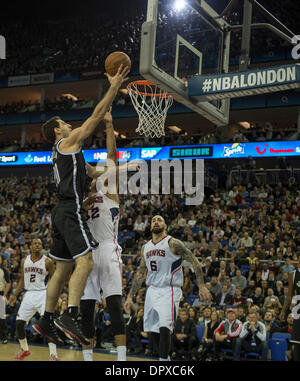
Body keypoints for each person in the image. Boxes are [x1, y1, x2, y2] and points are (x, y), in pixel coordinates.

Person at [33, 65, 130, 346]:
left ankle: (46, 319)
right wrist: (113, 87)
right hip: (71, 208)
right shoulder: (66, 142)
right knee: (84, 261)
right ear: (56, 131)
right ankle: (70, 315)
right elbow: (94, 117)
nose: (67, 124)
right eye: (62, 122)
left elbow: (92, 171)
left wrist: (118, 170)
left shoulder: (64, 153)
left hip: (59, 211)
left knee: (62, 269)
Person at [124, 215, 211, 361]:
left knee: (165, 327)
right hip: (152, 290)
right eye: (153, 220)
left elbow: (194, 261)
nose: (156, 222)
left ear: (166, 226)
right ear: (150, 226)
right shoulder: (146, 247)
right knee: (153, 330)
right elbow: (140, 273)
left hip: (169, 289)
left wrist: (201, 286)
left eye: (160, 220)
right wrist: (129, 296)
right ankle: (165, 358)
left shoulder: (173, 243)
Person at [80, 110, 129, 361]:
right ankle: (87, 359)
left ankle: (121, 360)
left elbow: (111, 158)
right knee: (86, 309)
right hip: (88, 254)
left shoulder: (110, 193)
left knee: (114, 305)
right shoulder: (82, 200)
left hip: (108, 249)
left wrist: (109, 126)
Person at [10, 238, 58, 360]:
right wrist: (14, 295)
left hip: (43, 294)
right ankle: (25, 349)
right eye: (35, 243)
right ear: (30, 246)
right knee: (19, 323)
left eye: (39, 244)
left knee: (48, 324)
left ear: (42, 247)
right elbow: (22, 280)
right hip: (29, 294)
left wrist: (53, 295)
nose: (37, 245)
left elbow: (55, 278)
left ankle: (53, 355)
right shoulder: (24, 260)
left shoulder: (47, 261)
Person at [280, 252, 300, 361]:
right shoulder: (293, 274)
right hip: (298, 310)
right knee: (297, 342)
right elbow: (289, 296)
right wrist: (283, 311)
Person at [0, 256, 10, 344]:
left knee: (1, 317)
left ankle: (4, 337)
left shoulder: (4, 270)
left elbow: (8, 284)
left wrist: (4, 295)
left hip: (1, 294)